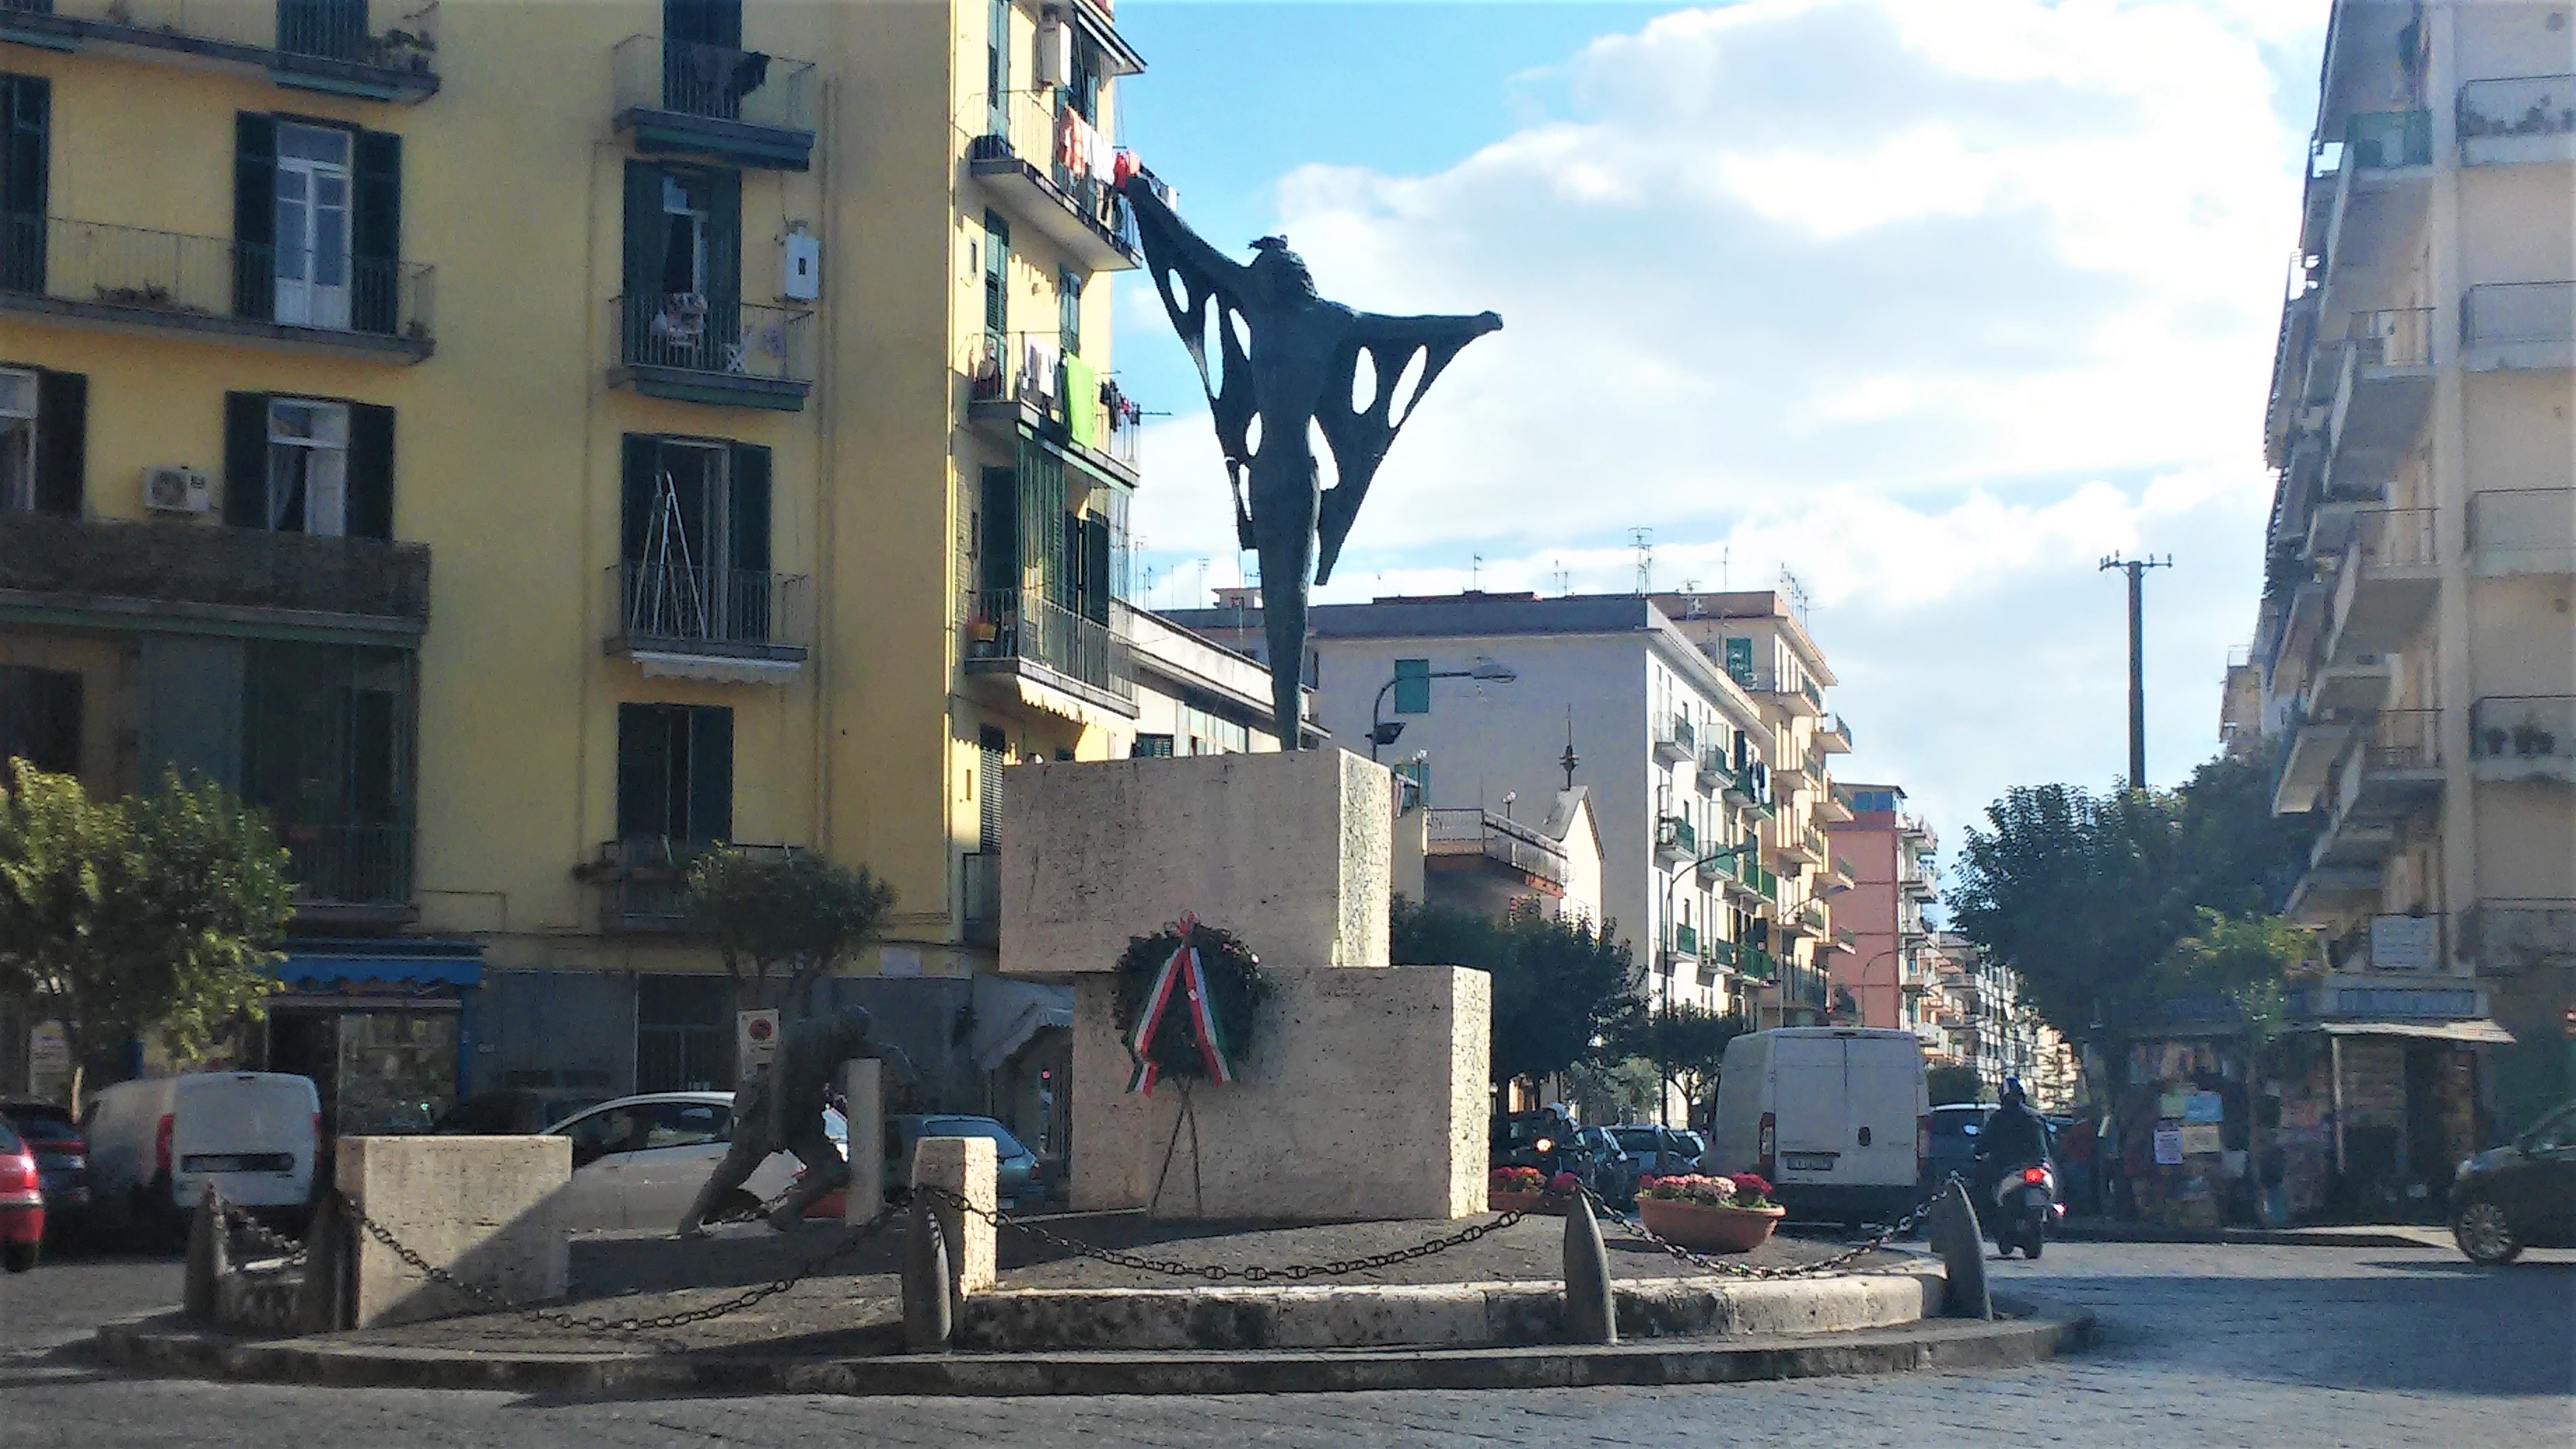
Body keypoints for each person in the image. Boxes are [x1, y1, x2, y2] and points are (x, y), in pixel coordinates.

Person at [1972, 1076, 2054, 1215]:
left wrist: (1978, 1150)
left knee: (1980, 1183)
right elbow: (2051, 1145)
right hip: (2038, 1166)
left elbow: (1983, 1145)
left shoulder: (1998, 1118)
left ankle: (1984, 1217)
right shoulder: (2037, 1116)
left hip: (2007, 1167)